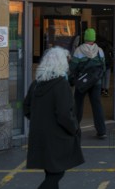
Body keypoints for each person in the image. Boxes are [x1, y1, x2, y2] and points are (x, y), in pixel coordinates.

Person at [24, 46, 84, 189]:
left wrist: (39, 120)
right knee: (56, 174)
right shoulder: (61, 84)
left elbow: (26, 107)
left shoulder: (36, 83)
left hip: (39, 135)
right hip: (57, 137)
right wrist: (75, 128)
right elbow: (65, 114)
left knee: (51, 172)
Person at [70, 28, 107, 139]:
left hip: (82, 82)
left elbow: (73, 67)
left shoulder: (79, 50)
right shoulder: (100, 51)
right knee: (97, 105)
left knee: (78, 105)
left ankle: (74, 130)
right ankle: (102, 131)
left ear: (85, 37)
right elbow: (103, 68)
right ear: (94, 38)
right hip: (96, 82)